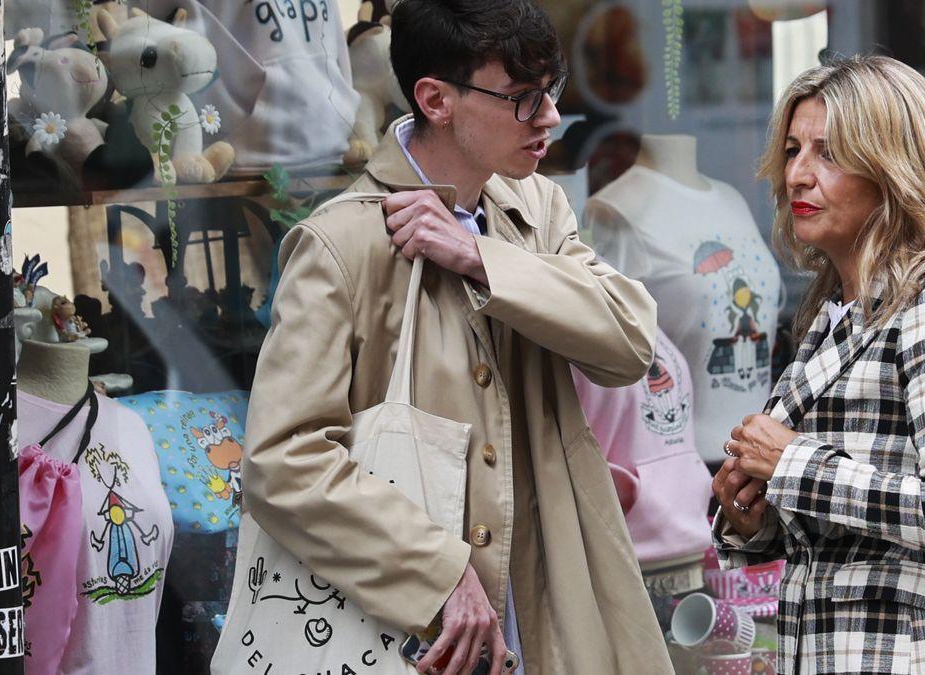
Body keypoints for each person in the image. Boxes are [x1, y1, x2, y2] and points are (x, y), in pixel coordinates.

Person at [241, 1, 671, 674]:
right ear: (436, 99)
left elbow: (628, 343)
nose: (551, 119)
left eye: (551, 91)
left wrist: (479, 256)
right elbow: (281, 458)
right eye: (524, 99)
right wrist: (437, 569)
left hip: (542, 606)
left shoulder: (536, 209)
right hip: (404, 631)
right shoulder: (342, 242)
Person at [711, 55, 925, 673]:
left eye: (829, 154)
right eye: (793, 150)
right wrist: (755, 513)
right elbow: (840, 533)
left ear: (895, 170)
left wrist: (792, 461)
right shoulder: (836, 311)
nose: (797, 174)